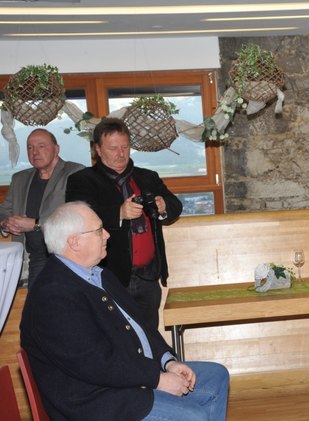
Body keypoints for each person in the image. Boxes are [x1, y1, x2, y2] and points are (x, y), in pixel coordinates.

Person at [20, 201, 229, 421]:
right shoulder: (53, 295)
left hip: (129, 379)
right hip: (96, 402)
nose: (107, 235)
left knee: (216, 377)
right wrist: (157, 379)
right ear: (75, 242)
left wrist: (168, 361)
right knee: (192, 416)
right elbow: (96, 364)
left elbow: (141, 326)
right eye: (99, 230)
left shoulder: (99, 275)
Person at [66, 117, 182, 328]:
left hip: (148, 277)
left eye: (125, 147)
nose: (121, 154)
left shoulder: (147, 177)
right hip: (107, 277)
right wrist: (118, 213)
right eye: (113, 148)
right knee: (115, 338)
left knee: (149, 336)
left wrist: (164, 206)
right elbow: (78, 219)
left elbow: (176, 206)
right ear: (98, 149)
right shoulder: (82, 180)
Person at [0, 128, 83, 286]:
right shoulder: (19, 178)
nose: (35, 152)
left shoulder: (75, 172)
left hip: (68, 257)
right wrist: (6, 223)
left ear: (56, 149)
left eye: (41, 146)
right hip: (34, 258)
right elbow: (3, 210)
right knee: (36, 301)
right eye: (30, 147)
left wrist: (36, 224)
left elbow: (80, 217)